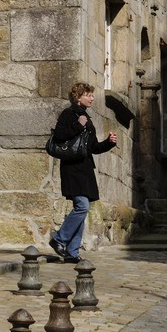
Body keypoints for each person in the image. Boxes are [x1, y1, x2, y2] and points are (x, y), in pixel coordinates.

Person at [48, 81, 117, 262]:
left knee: (82, 209)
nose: (92, 98)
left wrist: (109, 142)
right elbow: (59, 137)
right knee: (82, 206)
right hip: (72, 167)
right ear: (78, 97)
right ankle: (59, 239)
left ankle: (72, 252)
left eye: (92, 95)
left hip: (85, 168)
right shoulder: (69, 114)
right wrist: (78, 125)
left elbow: (93, 147)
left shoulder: (87, 118)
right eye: (88, 95)